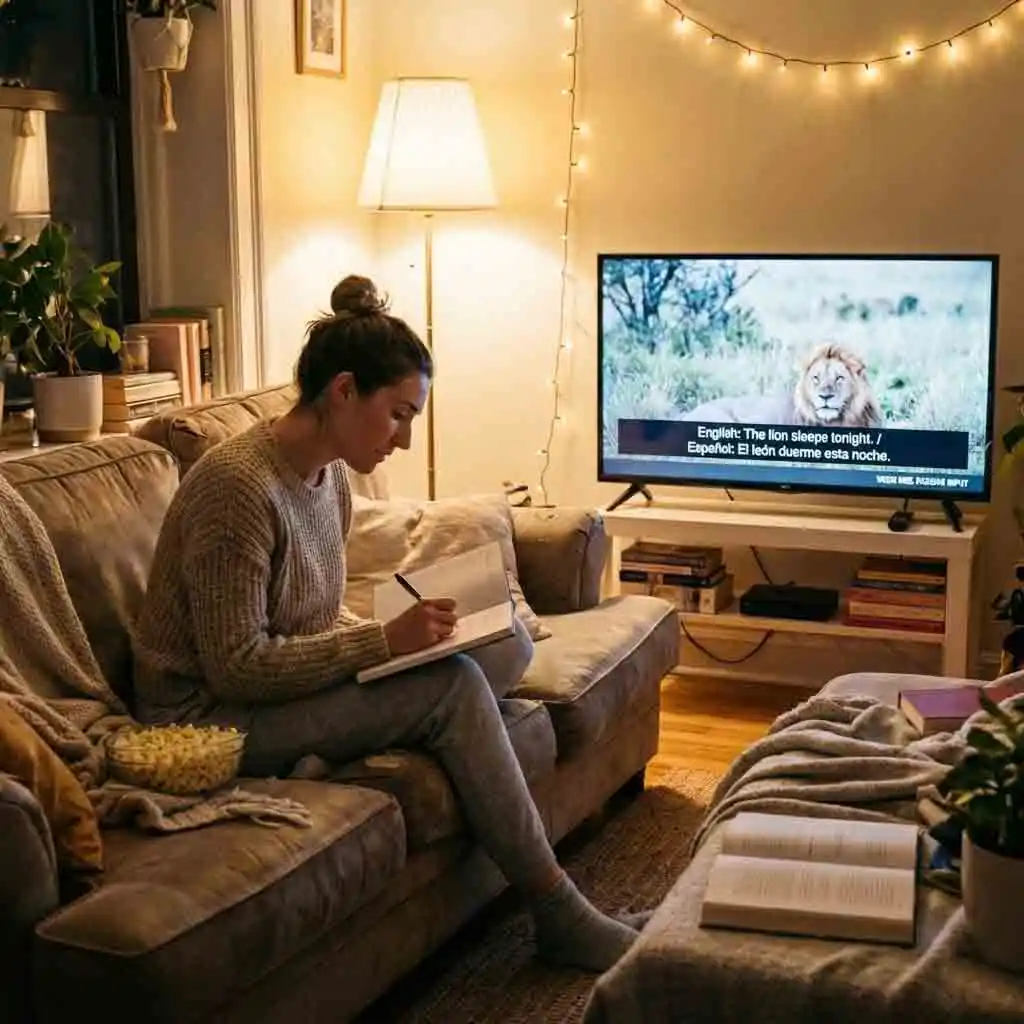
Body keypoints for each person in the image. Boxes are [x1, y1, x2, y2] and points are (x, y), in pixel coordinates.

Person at [131, 275, 639, 972]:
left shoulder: (331, 476)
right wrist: (379, 644)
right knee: (453, 689)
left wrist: (412, 635)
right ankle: (557, 909)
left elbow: (312, 612)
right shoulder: (236, 490)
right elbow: (236, 665)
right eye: (399, 415)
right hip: (207, 719)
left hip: (274, 685)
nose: (403, 441)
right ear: (343, 392)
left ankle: (444, 730)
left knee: (503, 647)